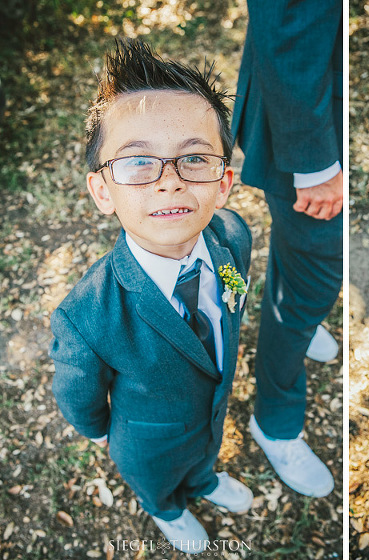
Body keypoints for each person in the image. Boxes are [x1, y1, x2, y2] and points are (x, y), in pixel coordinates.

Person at [50, 40, 253, 554]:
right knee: (159, 481)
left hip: (211, 409)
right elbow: (78, 394)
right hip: (146, 440)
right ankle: (169, 508)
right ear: (102, 191)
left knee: (205, 455)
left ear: (224, 182)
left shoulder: (234, 237)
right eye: (139, 161)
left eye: (194, 158)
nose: (169, 182)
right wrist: (101, 434)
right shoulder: (85, 315)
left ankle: (204, 481)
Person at [229, 1, 342, 497]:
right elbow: (289, 14)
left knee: (299, 257)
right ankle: (274, 422)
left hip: (325, 95)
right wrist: (314, 164)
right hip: (308, 122)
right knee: (311, 284)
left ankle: (298, 314)